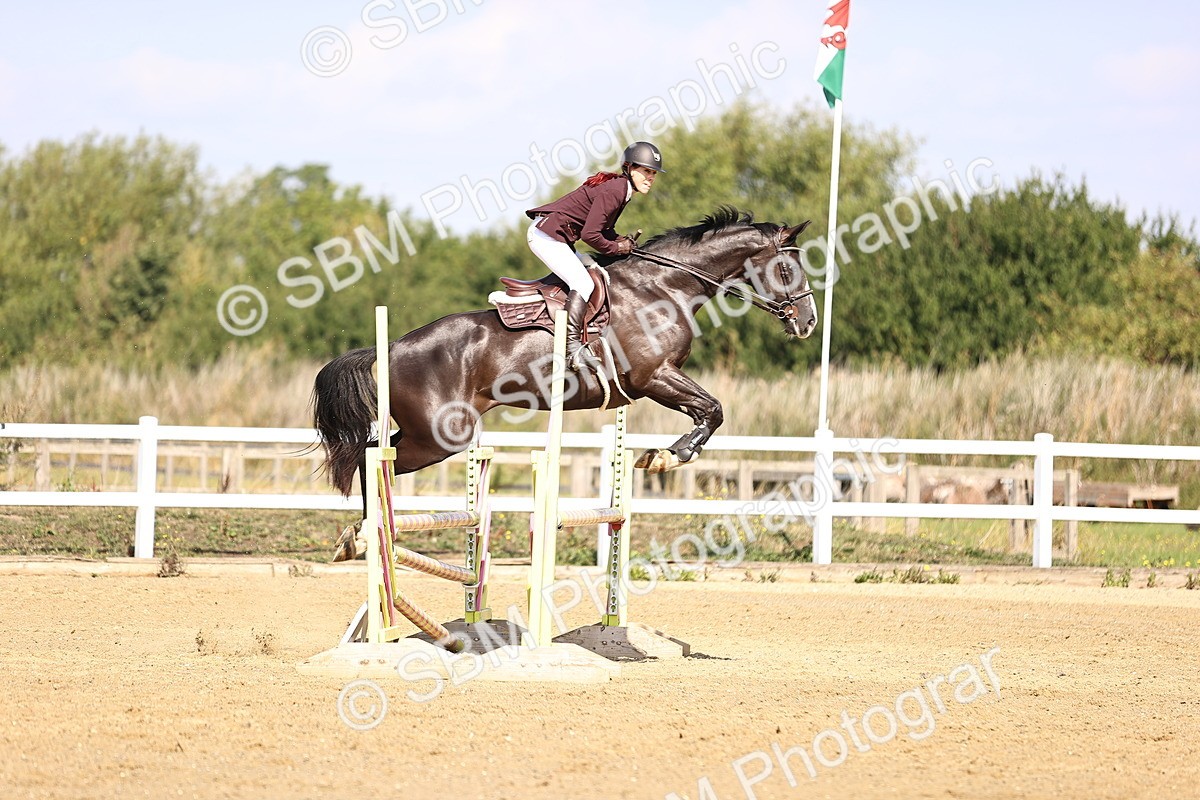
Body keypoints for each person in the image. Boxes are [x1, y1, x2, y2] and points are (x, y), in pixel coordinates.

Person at [525, 141, 664, 369]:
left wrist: (622, 242)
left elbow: (604, 230)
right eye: (646, 171)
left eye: (653, 173)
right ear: (629, 168)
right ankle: (571, 349)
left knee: (595, 270)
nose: (650, 177)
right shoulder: (616, 190)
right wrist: (618, 249)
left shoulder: (622, 189)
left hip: (558, 236)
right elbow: (591, 235)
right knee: (583, 282)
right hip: (546, 237)